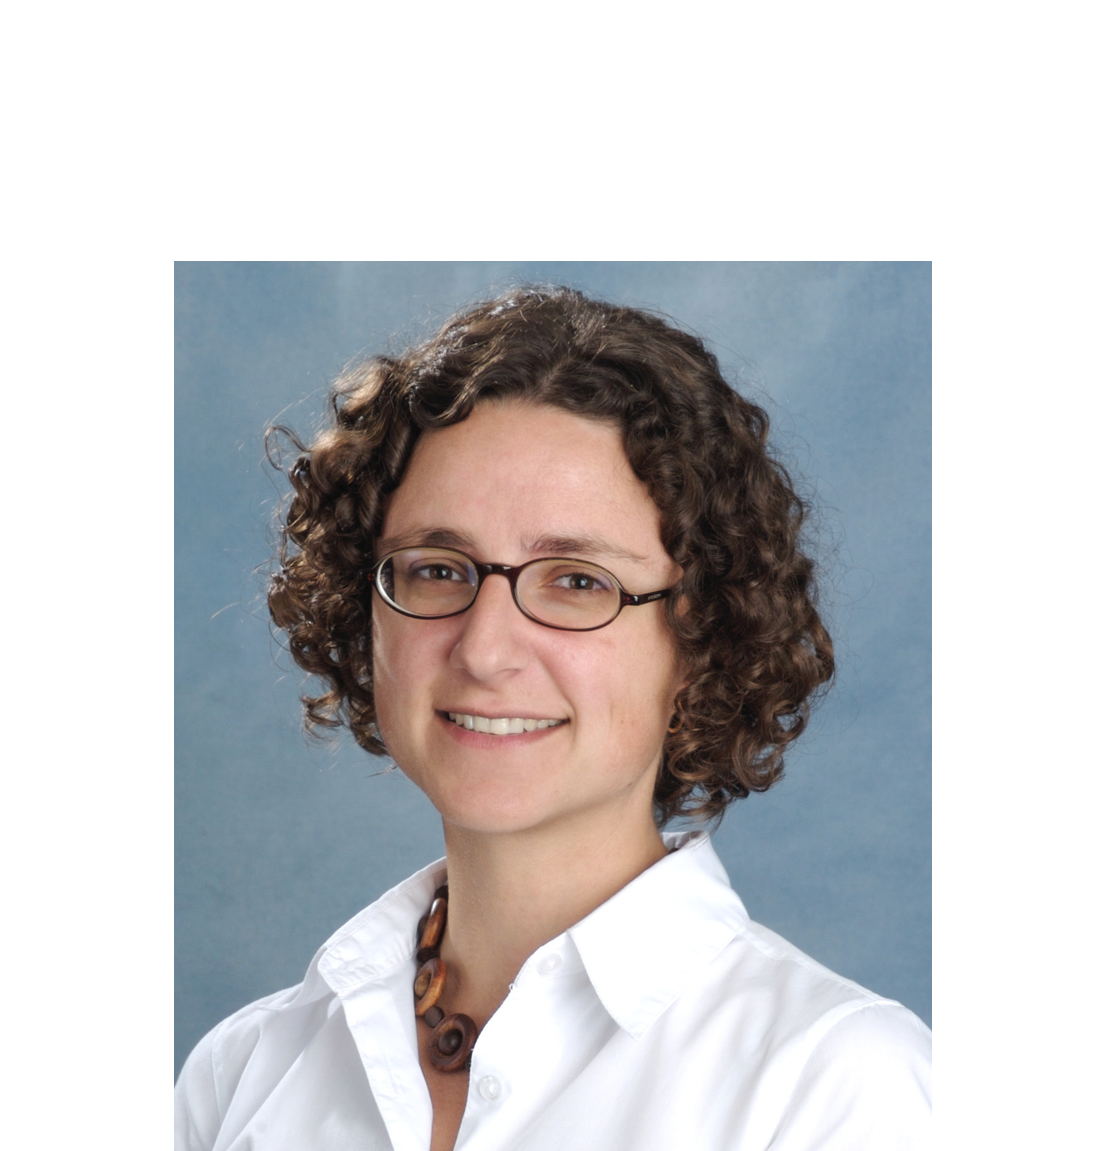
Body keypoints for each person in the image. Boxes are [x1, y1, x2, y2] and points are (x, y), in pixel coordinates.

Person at [175, 287, 931, 1150]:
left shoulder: (836, 1087)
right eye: (437, 568)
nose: (485, 649)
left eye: (577, 581)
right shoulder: (241, 1074)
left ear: (701, 635)